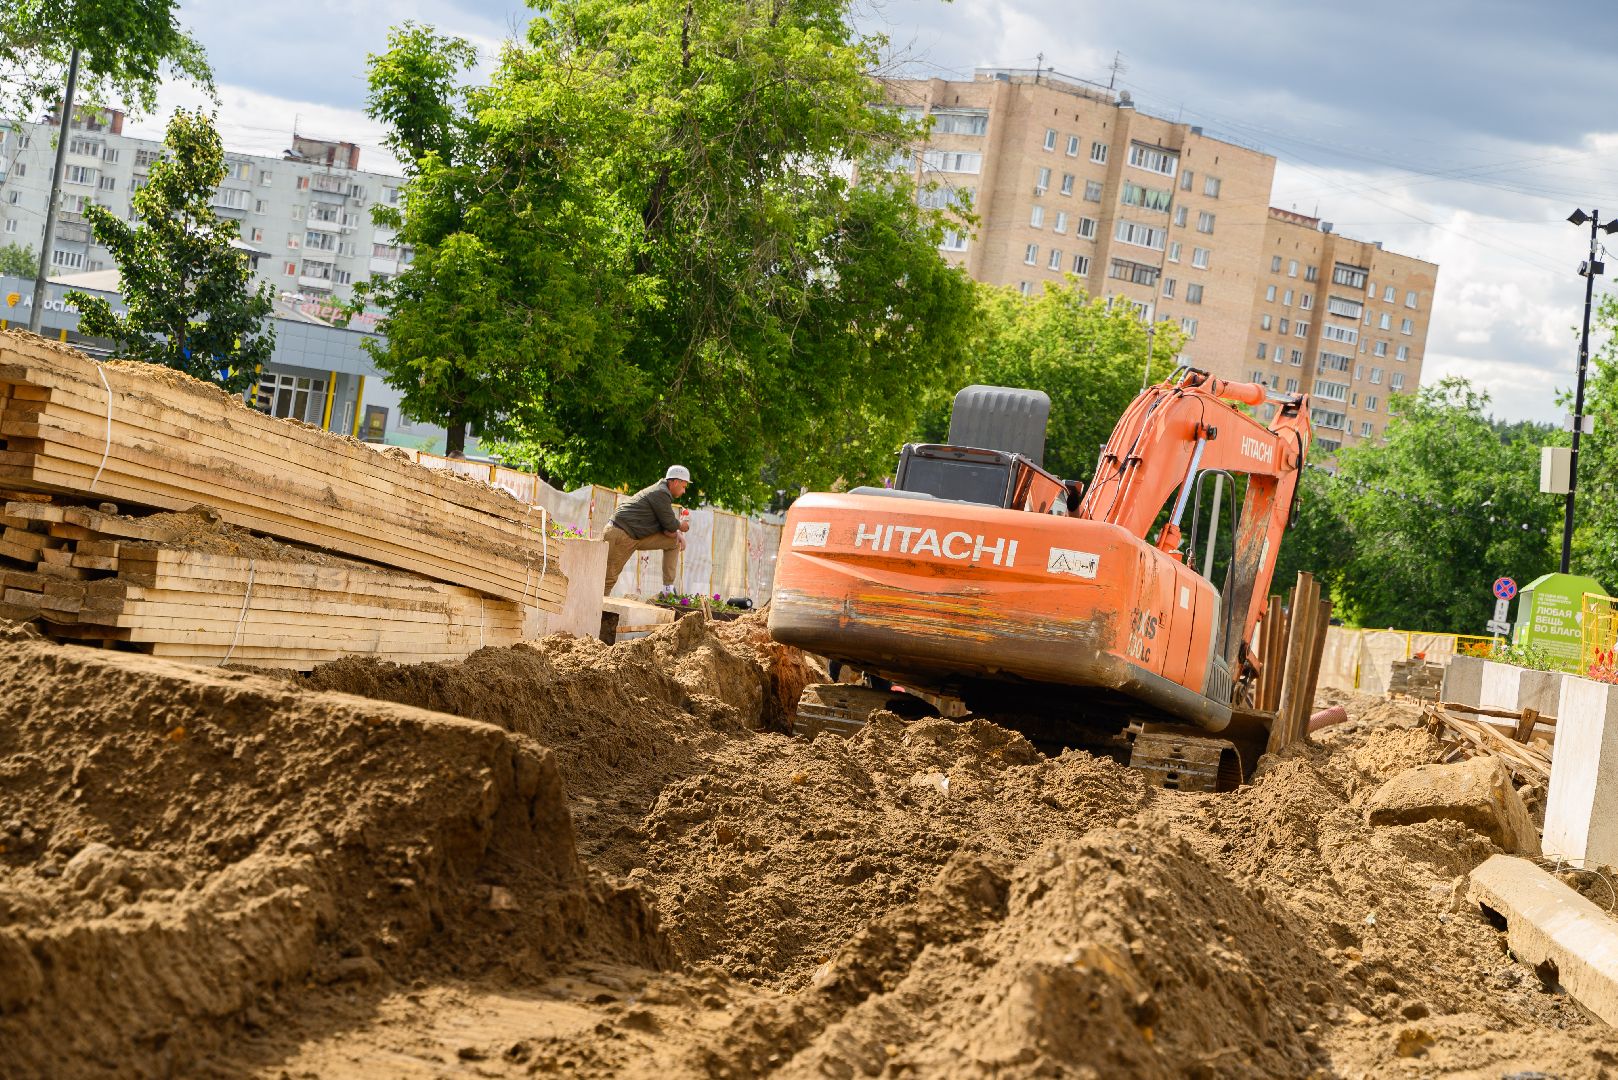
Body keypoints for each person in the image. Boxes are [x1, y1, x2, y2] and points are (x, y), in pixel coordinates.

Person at [602, 465, 692, 595]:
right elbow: (671, 525)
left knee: (673, 542)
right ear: (675, 482)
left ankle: (668, 589)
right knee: (606, 580)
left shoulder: (662, 492)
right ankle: (595, 612)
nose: (684, 491)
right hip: (620, 533)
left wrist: (677, 534)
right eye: (684, 486)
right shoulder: (661, 493)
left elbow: (668, 529)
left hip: (634, 536)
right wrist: (682, 526)